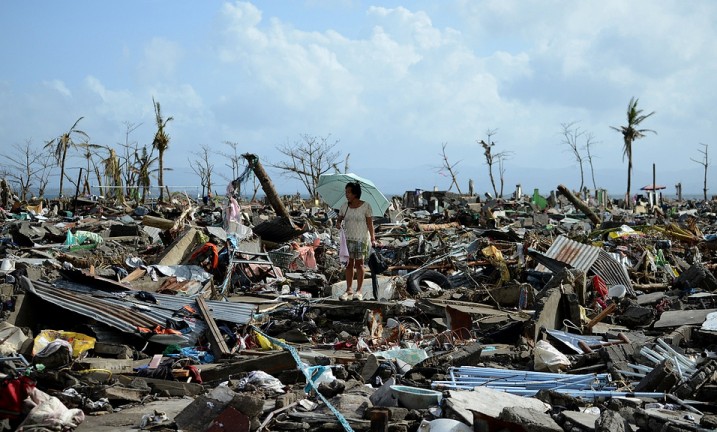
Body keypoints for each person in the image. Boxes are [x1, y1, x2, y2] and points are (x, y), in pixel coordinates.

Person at [336, 182, 377, 301]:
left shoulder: (366, 206)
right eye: (346, 192)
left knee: (359, 264)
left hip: (361, 239)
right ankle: (349, 290)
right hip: (348, 239)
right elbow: (339, 218)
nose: (346, 194)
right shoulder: (344, 206)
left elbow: (370, 224)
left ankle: (359, 291)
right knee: (349, 264)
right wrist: (338, 223)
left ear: (355, 193)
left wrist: (373, 239)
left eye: (348, 192)